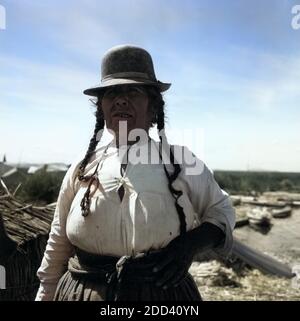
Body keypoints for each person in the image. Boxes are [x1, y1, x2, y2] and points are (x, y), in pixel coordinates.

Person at [35, 44, 235, 301]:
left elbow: (223, 212)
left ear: (153, 106)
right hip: (82, 292)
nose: (120, 99)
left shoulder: (181, 162)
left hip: (162, 295)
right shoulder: (82, 167)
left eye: (133, 90)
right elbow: (58, 242)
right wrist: (45, 295)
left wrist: (190, 245)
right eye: (112, 93)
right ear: (101, 108)